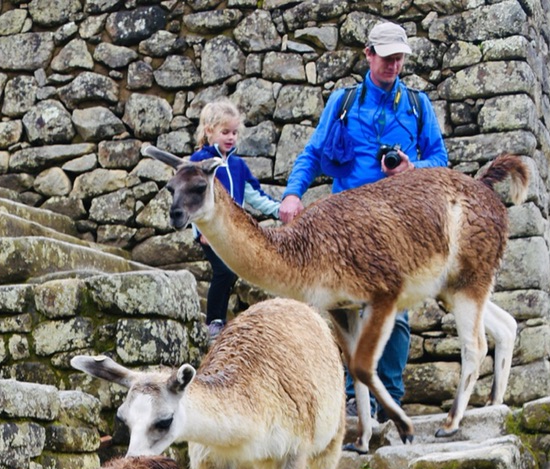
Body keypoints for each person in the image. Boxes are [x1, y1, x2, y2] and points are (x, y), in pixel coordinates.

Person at [279, 19, 448, 438]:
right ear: (368, 55)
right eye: (387, 57)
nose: (394, 65)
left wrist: (413, 167)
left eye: (399, 58)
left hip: (398, 227)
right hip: (347, 229)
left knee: (397, 316)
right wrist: (293, 194)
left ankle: (389, 400)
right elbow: (313, 154)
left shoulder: (416, 105)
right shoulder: (344, 103)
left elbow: (440, 159)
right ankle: (357, 404)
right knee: (342, 314)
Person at [189, 100, 281, 342]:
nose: (231, 137)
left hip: (232, 232)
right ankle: (214, 323)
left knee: (232, 271)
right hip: (209, 232)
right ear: (209, 131)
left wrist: (279, 210)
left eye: (234, 132)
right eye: (225, 132)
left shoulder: (238, 165)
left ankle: (220, 320)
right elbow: (191, 199)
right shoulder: (199, 161)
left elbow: (254, 195)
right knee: (224, 271)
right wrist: (200, 230)